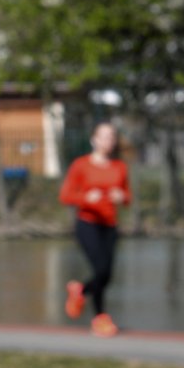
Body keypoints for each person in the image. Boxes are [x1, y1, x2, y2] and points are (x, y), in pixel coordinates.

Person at [58, 121, 131, 337]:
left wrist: (122, 196)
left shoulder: (120, 167)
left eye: (112, 137)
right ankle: (100, 318)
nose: (109, 141)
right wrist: (86, 198)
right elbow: (65, 196)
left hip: (109, 225)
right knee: (100, 270)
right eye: (105, 136)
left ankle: (80, 290)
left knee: (107, 274)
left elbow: (128, 196)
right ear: (94, 139)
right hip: (87, 224)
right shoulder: (81, 165)